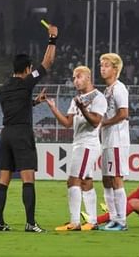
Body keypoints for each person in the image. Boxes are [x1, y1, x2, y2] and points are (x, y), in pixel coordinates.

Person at [0, 23, 58, 233]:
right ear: (28, 69)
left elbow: (15, 108)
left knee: (3, 180)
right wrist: (52, 39)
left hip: (6, 134)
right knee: (28, 179)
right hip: (22, 134)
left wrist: (34, 102)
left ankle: (0, 223)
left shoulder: (3, 90)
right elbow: (48, 62)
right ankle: (30, 223)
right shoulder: (26, 82)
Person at [44, 66, 107, 231]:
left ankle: (75, 222)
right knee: (86, 182)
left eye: (78, 77)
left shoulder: (98, 97)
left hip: (88, 144)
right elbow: (67, 123)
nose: (75, 80)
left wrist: (82, 108)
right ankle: (92, 222)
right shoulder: (76, 99)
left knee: (73, 181)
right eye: (73, 78)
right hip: (79, 143)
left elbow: (95, 122)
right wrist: (53, 108)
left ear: (88, 77)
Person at [98, 53, 130, 231]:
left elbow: (124, 113)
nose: (102, 68)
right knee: (106, 180)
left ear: (115, 69)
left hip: (117, 140)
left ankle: (122, 221)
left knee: (116, 179)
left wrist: (105, 123)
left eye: (107, 65)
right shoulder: (107, 90)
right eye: (101, 65)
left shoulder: (119, 88)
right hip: (108, 140)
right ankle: (112, 218)